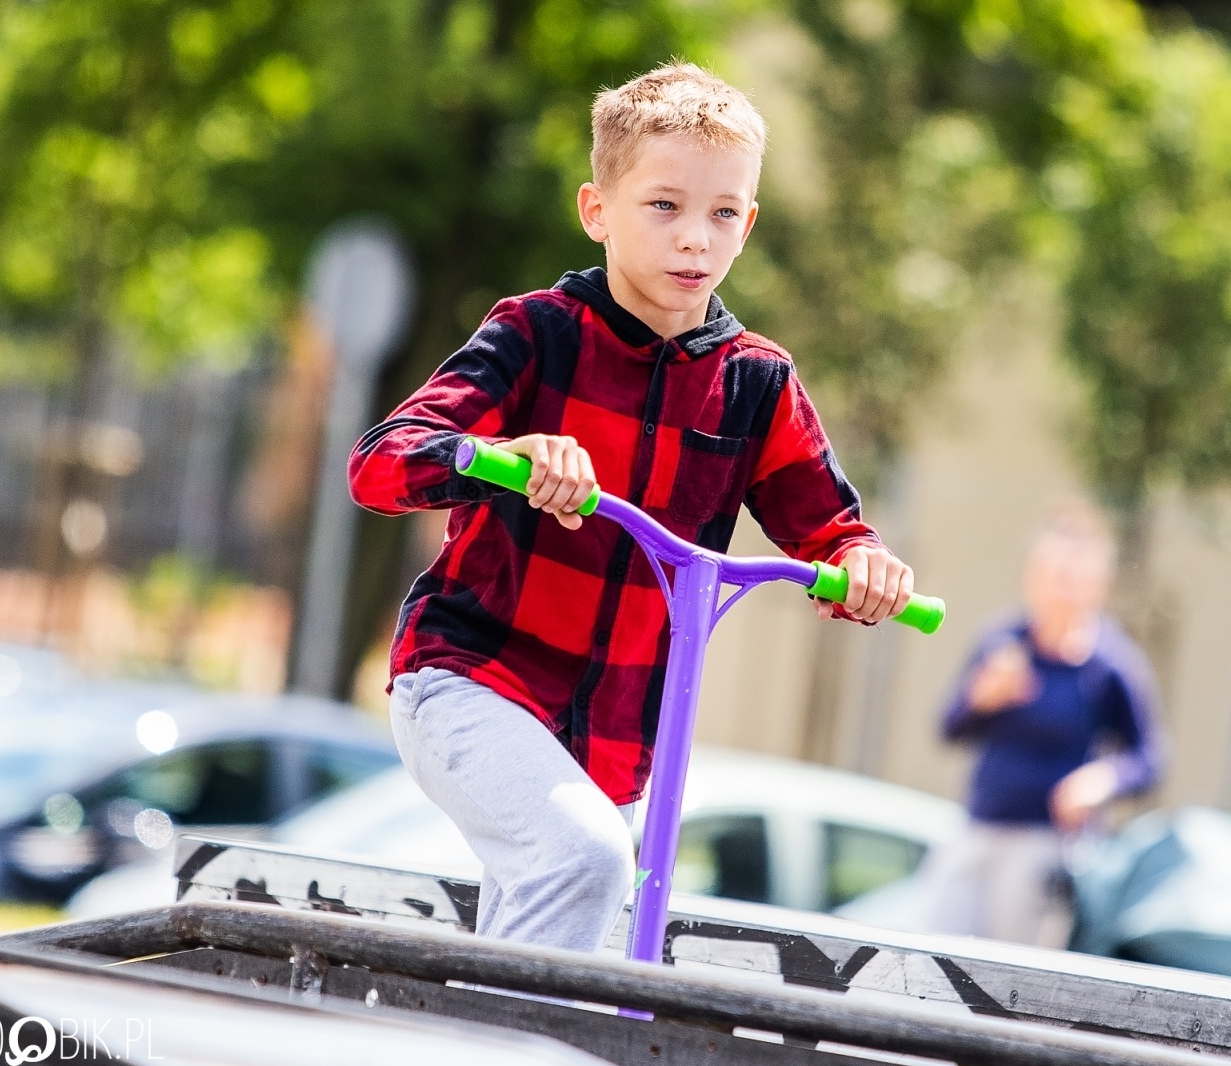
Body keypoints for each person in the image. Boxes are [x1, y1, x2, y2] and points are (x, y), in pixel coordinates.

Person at [347, 63, 916, 954]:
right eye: (664, 206)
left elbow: (830, 533)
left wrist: (866, 569)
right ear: (597, 210)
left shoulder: (756, 384)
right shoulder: (537, 334)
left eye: (724, 213)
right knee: (582, 862)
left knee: (555, 925)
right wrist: (504, 458)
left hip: (615, 742)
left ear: (749, 224)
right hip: (471, 679)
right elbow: (380, 464)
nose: (696, 238)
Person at [923, 500, 1163, 947]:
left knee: (1011, 978)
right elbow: (949, 728)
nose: (1060, 588)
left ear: (1098, 586)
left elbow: (1149, 759)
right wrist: (981, 698)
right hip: (981, 826)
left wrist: (1102, 779)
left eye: (1074, 578)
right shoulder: (1002, 641)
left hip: (1048, 843)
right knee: (934, 955)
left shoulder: (1111, 665)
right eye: (1051, 574)